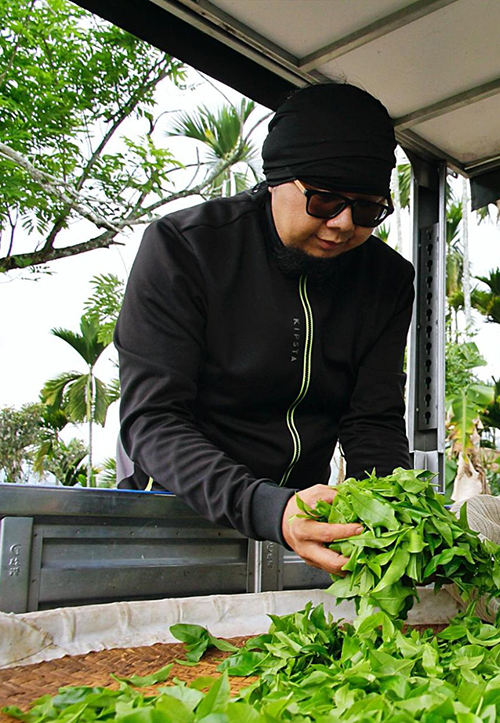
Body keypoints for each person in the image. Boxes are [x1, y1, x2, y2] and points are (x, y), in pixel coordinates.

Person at [114, 83, 414, 573]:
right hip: (176, 515)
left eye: (366, 210)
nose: (342, 224)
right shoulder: (185, 249)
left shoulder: (386, 278)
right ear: (277, 178)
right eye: (324, 200)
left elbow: (372, 420)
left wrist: (389, 520)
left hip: (304, 522)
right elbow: (154, 420)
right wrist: (268, 508)